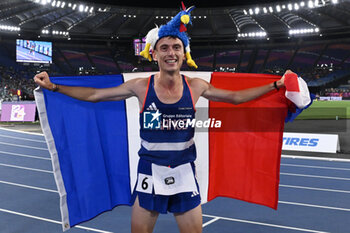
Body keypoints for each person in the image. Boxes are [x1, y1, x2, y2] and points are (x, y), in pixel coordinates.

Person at [34, 4, 290, 233]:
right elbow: (94, 95)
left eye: (176, 47)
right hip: (149, 171)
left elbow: (235, 98)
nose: (171, 52)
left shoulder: (196, 86)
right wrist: (54, 87)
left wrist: (276, 85)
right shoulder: (141, 87)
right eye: (164, 47)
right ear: (154, 54)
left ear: (184, 53)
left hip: (184, 171)